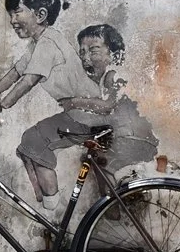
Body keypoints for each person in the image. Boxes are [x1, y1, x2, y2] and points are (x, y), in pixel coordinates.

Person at [0, 0, 100, 208]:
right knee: (29, 145)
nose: (12, 20)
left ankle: (53, 210)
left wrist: (3, 103)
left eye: (17, 12)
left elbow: (28, 80)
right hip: (79, 112)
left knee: (34, 140)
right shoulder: (37, 44)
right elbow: (15, 73)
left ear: (40, 14)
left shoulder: (49, 43)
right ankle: (46, 204)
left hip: (87, 113)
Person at [60, 24, 159, 196]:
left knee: (99, 160)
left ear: (114, 55)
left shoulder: (113, 76)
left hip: (134, 139)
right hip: (123, 138)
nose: (85, 57)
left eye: (93, 50)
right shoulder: (99, 82)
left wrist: (75, 102)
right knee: (93, 159)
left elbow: (108, 106)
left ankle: (117, 199)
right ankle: (112, 201)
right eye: (82, 51)